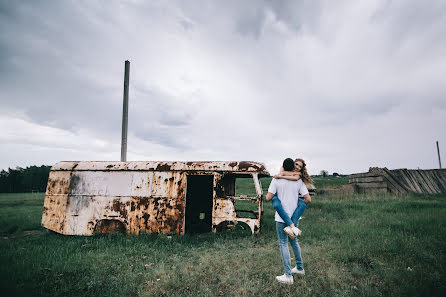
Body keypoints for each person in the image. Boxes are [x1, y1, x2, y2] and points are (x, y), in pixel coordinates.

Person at [266, 158, 312, 284]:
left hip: (281, 219)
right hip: (294, 218)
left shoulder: (276, 179)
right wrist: (297, 205)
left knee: (283, 244)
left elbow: (268, 197)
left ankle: (288, 275)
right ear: (292, 167)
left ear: (282, 166)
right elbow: (308, 199)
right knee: (294, 242)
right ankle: (299, 268)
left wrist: (276, 197)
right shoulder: (299, 181)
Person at [271, 158, 312, 239]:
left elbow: (295, 178)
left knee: (283, 242)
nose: (297, 167)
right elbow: (283, 172)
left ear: (301, 169)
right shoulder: (287, 172)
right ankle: (292, 226)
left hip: (283, 216)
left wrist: (280, 177)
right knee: (294, 242)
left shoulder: (298, 174)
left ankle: (291, 226)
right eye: (296, 164)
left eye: (300, 167)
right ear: (293, 163)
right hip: (292, 212)